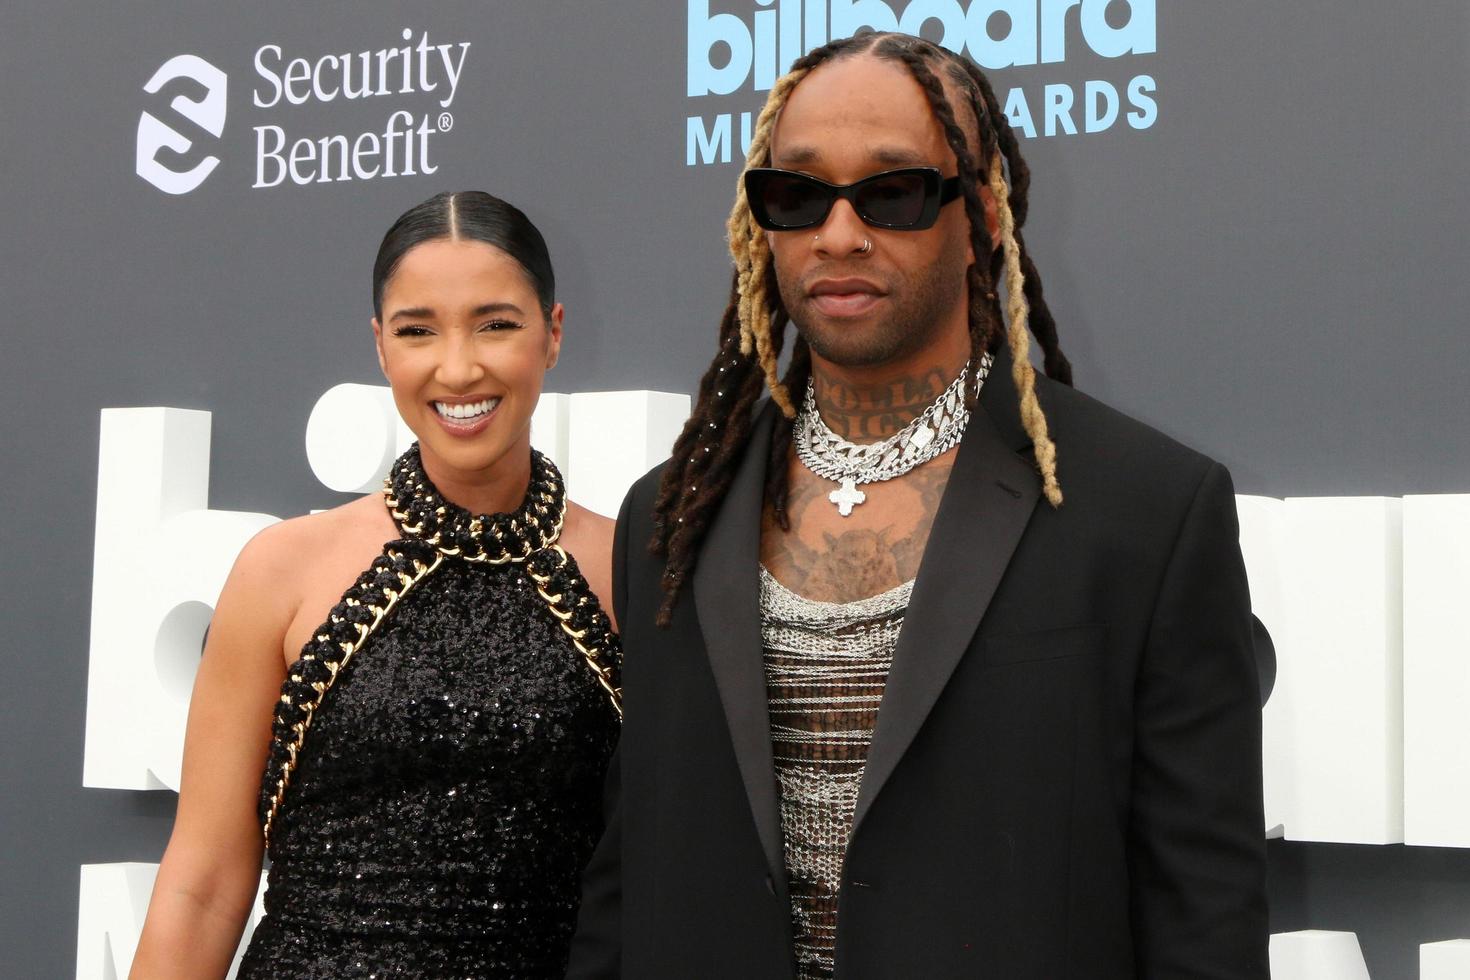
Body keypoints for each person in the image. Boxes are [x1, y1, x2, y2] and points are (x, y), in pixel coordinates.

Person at [569, 32, 1267, 979]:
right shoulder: (671, 519)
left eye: (892, 194)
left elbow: (1204, 916)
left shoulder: (1143, 511)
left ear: (980, 217)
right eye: (799, 194)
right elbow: (631, 882)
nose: (839, 234)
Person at [130, 191, 621, 978]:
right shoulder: (282, 569)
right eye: (417, 330)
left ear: (553, 334)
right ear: (380, 348)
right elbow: (204, 882)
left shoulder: (625, 571)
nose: (458, 367)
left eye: (496, 324)